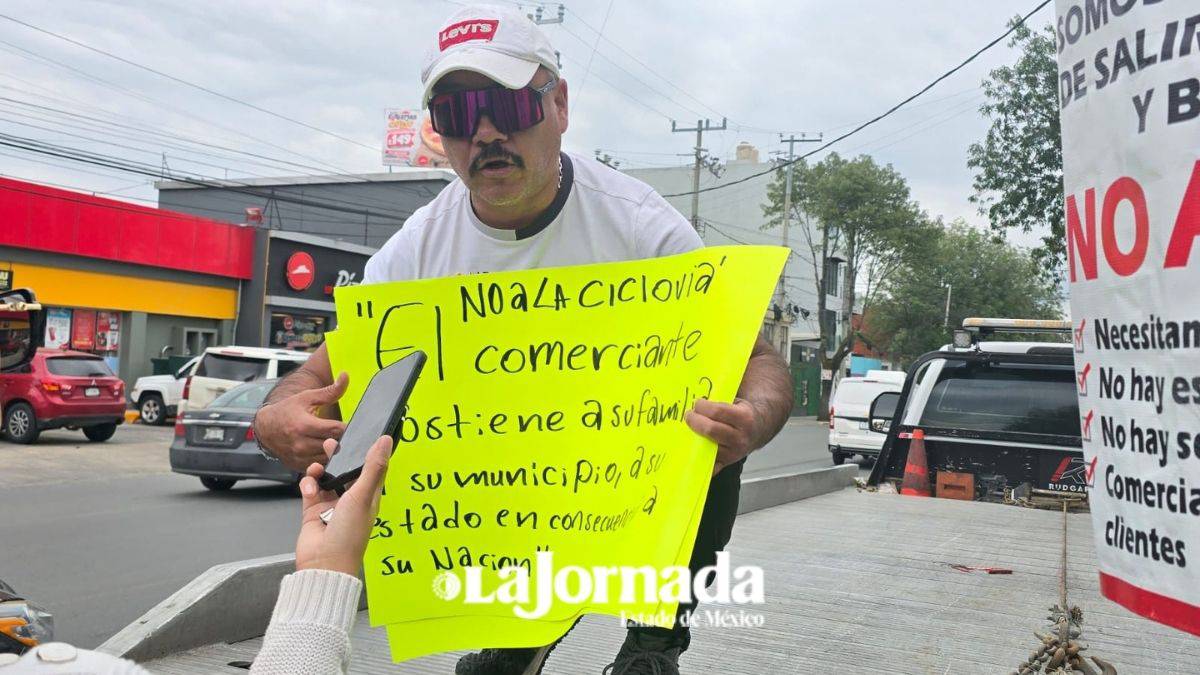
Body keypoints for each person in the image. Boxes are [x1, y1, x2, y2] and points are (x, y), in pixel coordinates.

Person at [251, 5, 794, 674]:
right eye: (455, 116)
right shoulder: (411, 256)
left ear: (559, 105)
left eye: (504, 105)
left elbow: (759, 361)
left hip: (625, 458)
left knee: (714, 436)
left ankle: (655, 641)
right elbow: (313, 378)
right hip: (520, 483)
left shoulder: (641, 231)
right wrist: (276, 416)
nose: (484, 134)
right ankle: (517, 638)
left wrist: (753, 420)